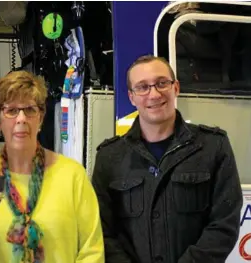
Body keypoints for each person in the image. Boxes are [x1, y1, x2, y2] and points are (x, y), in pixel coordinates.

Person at [92, 55, 243, 263]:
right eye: (142, 87)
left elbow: (224, 224)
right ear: (131, 97)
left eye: (162, 83)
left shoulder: (213, 146)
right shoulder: (109, 157)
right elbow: (102, 232)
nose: (154, 94)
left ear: (176, 88)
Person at [0, 70, 105, 263]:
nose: (21, 119)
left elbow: (92, 251)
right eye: (11, 111)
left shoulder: (73, 175)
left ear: (41, 117)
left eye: (29, 109)